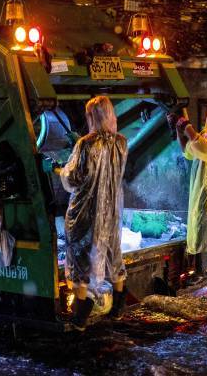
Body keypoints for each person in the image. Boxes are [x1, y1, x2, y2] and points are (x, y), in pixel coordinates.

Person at [55, 96, 128, 331]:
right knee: (113, 255)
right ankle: (118, 308)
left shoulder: (85, 144)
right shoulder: (122, 142)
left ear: (91, 116)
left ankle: (81, 314)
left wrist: (59, 170)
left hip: (85, 213)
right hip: (111, 213)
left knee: (80, 260)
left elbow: (74, 178)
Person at [167, 100, 207, 282]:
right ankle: (205, 270)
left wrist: (186, 126)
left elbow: (203, 148)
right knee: (202, 224)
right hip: (201, 187)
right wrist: (180, 131)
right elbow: (188, 151)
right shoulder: (205, 133)